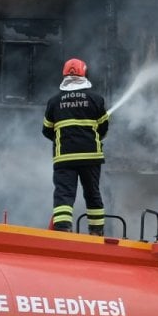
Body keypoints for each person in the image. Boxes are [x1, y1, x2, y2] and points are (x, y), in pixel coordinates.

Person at [42, 58, 110, 234]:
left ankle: (63, 228)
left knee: (64, 193)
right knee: (92, 193)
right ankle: (96, 231)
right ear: (84, 74)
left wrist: (63, 140)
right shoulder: (96, 100)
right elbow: (103, 128)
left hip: (64, 158)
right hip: (91, 157)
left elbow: (47, 130)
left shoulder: (54, 102)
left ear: (64, 75)